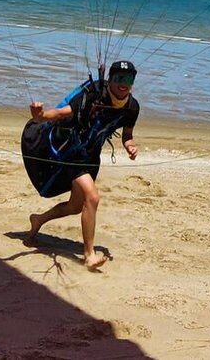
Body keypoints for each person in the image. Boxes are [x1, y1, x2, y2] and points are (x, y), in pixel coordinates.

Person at [21, 60, 140, 271]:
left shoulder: (132, 107)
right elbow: (62, 113)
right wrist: (41, 116)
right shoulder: (92, 96)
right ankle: (89, 254)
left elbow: (127, 134)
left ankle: (38, 219)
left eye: (129, 79)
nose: (124, 83)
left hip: (91, 157)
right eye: (119, 78)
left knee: (75, 207)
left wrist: (130, 146)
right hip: (71, 153)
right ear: (111, 79)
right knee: (92, 197)